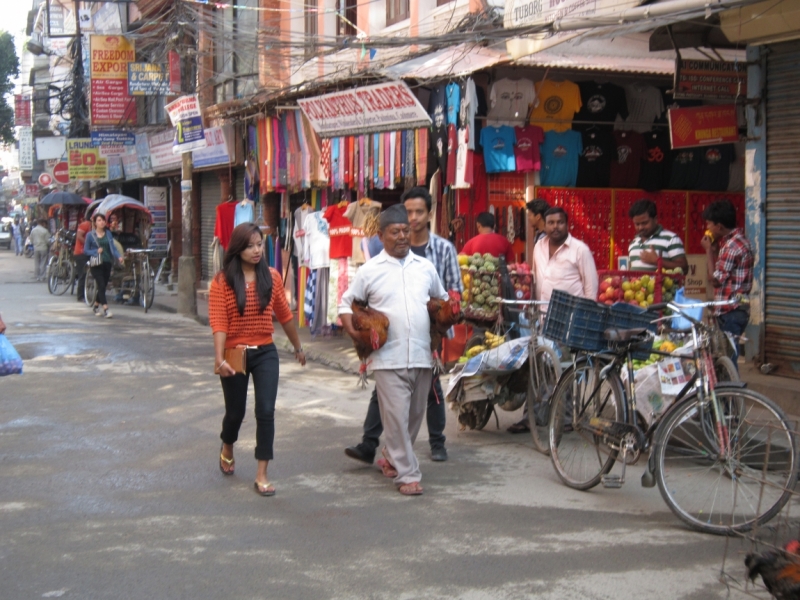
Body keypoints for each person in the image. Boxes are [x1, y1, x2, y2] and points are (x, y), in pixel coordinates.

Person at [344, 187, 462, 464]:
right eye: (408, 213)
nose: (413, 219)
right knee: (387, 397)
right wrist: (357, 330)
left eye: (418, 212)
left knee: (426, 393)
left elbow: (449, 293)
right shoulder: (377, 260)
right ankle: (380, 449)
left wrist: (448, 312)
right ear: (386, 232)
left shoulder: (439, 252)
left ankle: (436, 442)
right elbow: (353, 300)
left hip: (426, 338)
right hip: (389, 347)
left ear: (429, 214)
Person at [209, 223, 306, 497]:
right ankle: (227, 445)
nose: (256, 250)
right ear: (238, 248)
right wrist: (219, 358)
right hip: (234, 353)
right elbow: (219, 322)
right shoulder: (222, 281)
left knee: (265, 411)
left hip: (265, 352)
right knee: (235, 413)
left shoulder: (272, 277)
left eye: (260, 244)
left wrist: (298, 347)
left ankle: (262, 473)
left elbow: (284, 315)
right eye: (250, 245)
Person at [701, 199, 754, 361]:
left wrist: (709, 251)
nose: (707, 228)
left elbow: (715, 280)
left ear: (719, 227)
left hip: (730, 310)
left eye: (709, 224)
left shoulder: (731, 247)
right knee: (728, 355)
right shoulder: (740, 241)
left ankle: (733, 386)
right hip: (738, 308)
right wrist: (716, 251)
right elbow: (724, 273)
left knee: (728, 357)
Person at [533, 207, 599, 305]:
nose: (555, 226)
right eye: (551, 223)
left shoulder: (580, 250)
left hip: (571, 316)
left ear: (567, 225)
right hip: (543, 314)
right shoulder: (539, 246)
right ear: (545, 226)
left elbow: (591, 288)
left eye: (560, 222)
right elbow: (535, 276)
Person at [627, 199, 688, 272]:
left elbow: (684, 268)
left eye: (644, 223)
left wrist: (657, 261)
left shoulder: (671, 239)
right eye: (637, 224)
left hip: (661, 283)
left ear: (655, 219)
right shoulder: (633, 243)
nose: (640, 227)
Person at [84, 213, 124, 318]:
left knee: (103, 286)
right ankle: (106, 309)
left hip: (107, 262)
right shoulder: (90, 235)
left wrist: (118, 256)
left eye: (103, 220)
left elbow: (113, 248)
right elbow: (86, 250)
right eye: (99, 220)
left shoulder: (108, 234)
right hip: (96, 264)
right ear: (95, 223)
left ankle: (96, 306)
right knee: (101, 285)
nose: (101, 222)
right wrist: (95, 251)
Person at [74, 214, 93, 303]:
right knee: (83, 274)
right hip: (80, 253)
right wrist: (87, 244)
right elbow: (79, 236)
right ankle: (80, 296)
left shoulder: (94, 227)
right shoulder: (85, 224)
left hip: (89, 252)